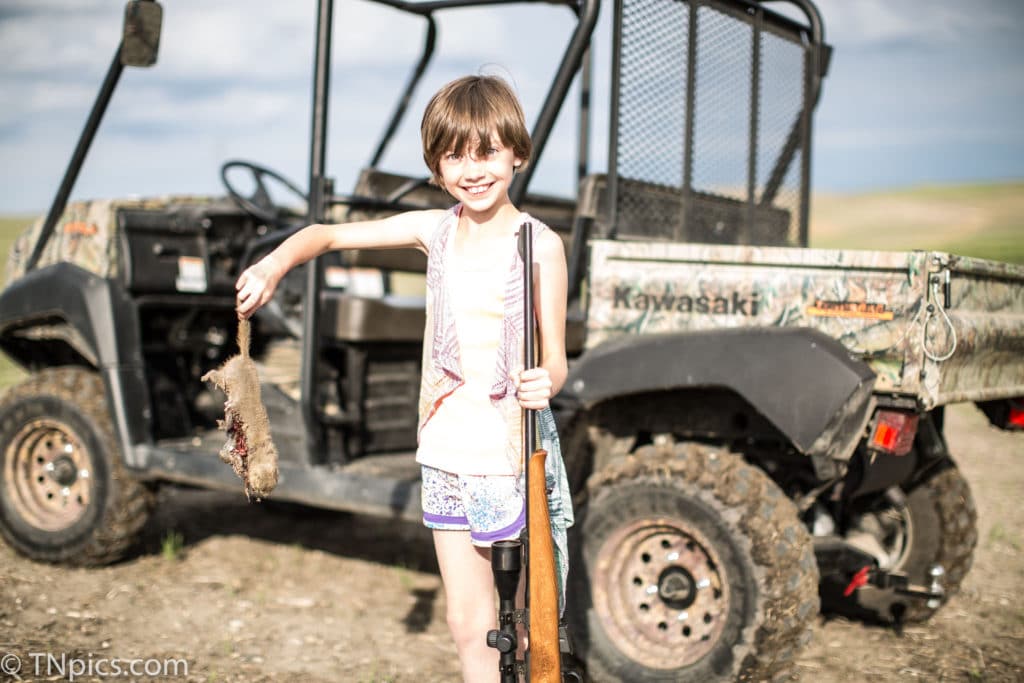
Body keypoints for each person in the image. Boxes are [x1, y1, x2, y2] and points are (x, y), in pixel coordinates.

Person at [234, 74, 569, 682]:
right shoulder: (434, 230)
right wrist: (274, 262)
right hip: (444, 451)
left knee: (522, 627)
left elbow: (557, 357)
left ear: (517, 153)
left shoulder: (539, 246)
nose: (473, 170)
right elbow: (328, 233)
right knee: (469, 626)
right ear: (437, 167)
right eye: (455, 155)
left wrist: (545, 380)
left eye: (488, 151)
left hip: (507, 456)